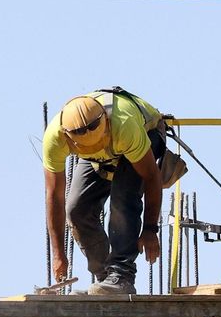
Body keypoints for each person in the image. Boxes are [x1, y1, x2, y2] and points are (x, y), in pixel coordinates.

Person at [43, 88, 169, 295]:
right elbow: (54, 196)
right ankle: (106, 279)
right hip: (98, 157)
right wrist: (59, 254)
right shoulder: (55, 137)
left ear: (106, 125)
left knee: (123, 198)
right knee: (76, 209)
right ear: (69, 138)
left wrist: (150, 229)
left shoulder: (124, 127)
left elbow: (151, 177)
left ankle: (121, 275)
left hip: (147, 133)